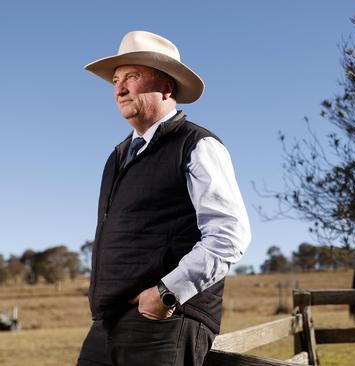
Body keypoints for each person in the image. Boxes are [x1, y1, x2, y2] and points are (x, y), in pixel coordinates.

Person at [78, 30, 251, 366]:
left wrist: (166, 294)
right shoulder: (117, 157)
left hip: (162, 320)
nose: (120, 89)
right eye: (116, 79)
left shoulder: (197, 145)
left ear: (167, 87)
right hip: (107, 322)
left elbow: (230, 234)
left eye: (132, 76)